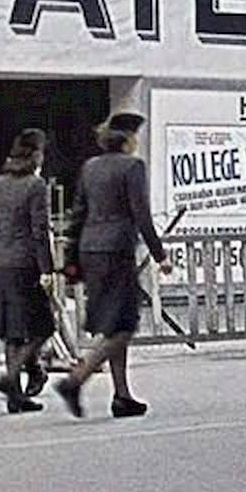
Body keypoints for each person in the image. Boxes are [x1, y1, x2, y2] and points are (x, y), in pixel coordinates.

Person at [54, 111, 172, 419]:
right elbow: (141, 215)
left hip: (91, 250)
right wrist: (160, 255)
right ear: (129, 139)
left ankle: (121, 395)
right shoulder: (133, 167)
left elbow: (77, 214)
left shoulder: (90, 167)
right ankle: (76, 379)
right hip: (117, 250)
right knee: (124, 325)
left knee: (113, 322)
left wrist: (70, 261)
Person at [0, 129, 57, 414]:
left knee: (13, 333)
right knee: (43, 326)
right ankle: (16, 375)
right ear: (37, 154)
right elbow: (39, 231)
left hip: (1, 262)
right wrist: (47, 269)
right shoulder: (36, 185)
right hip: (25, 264)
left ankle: (16, 395)